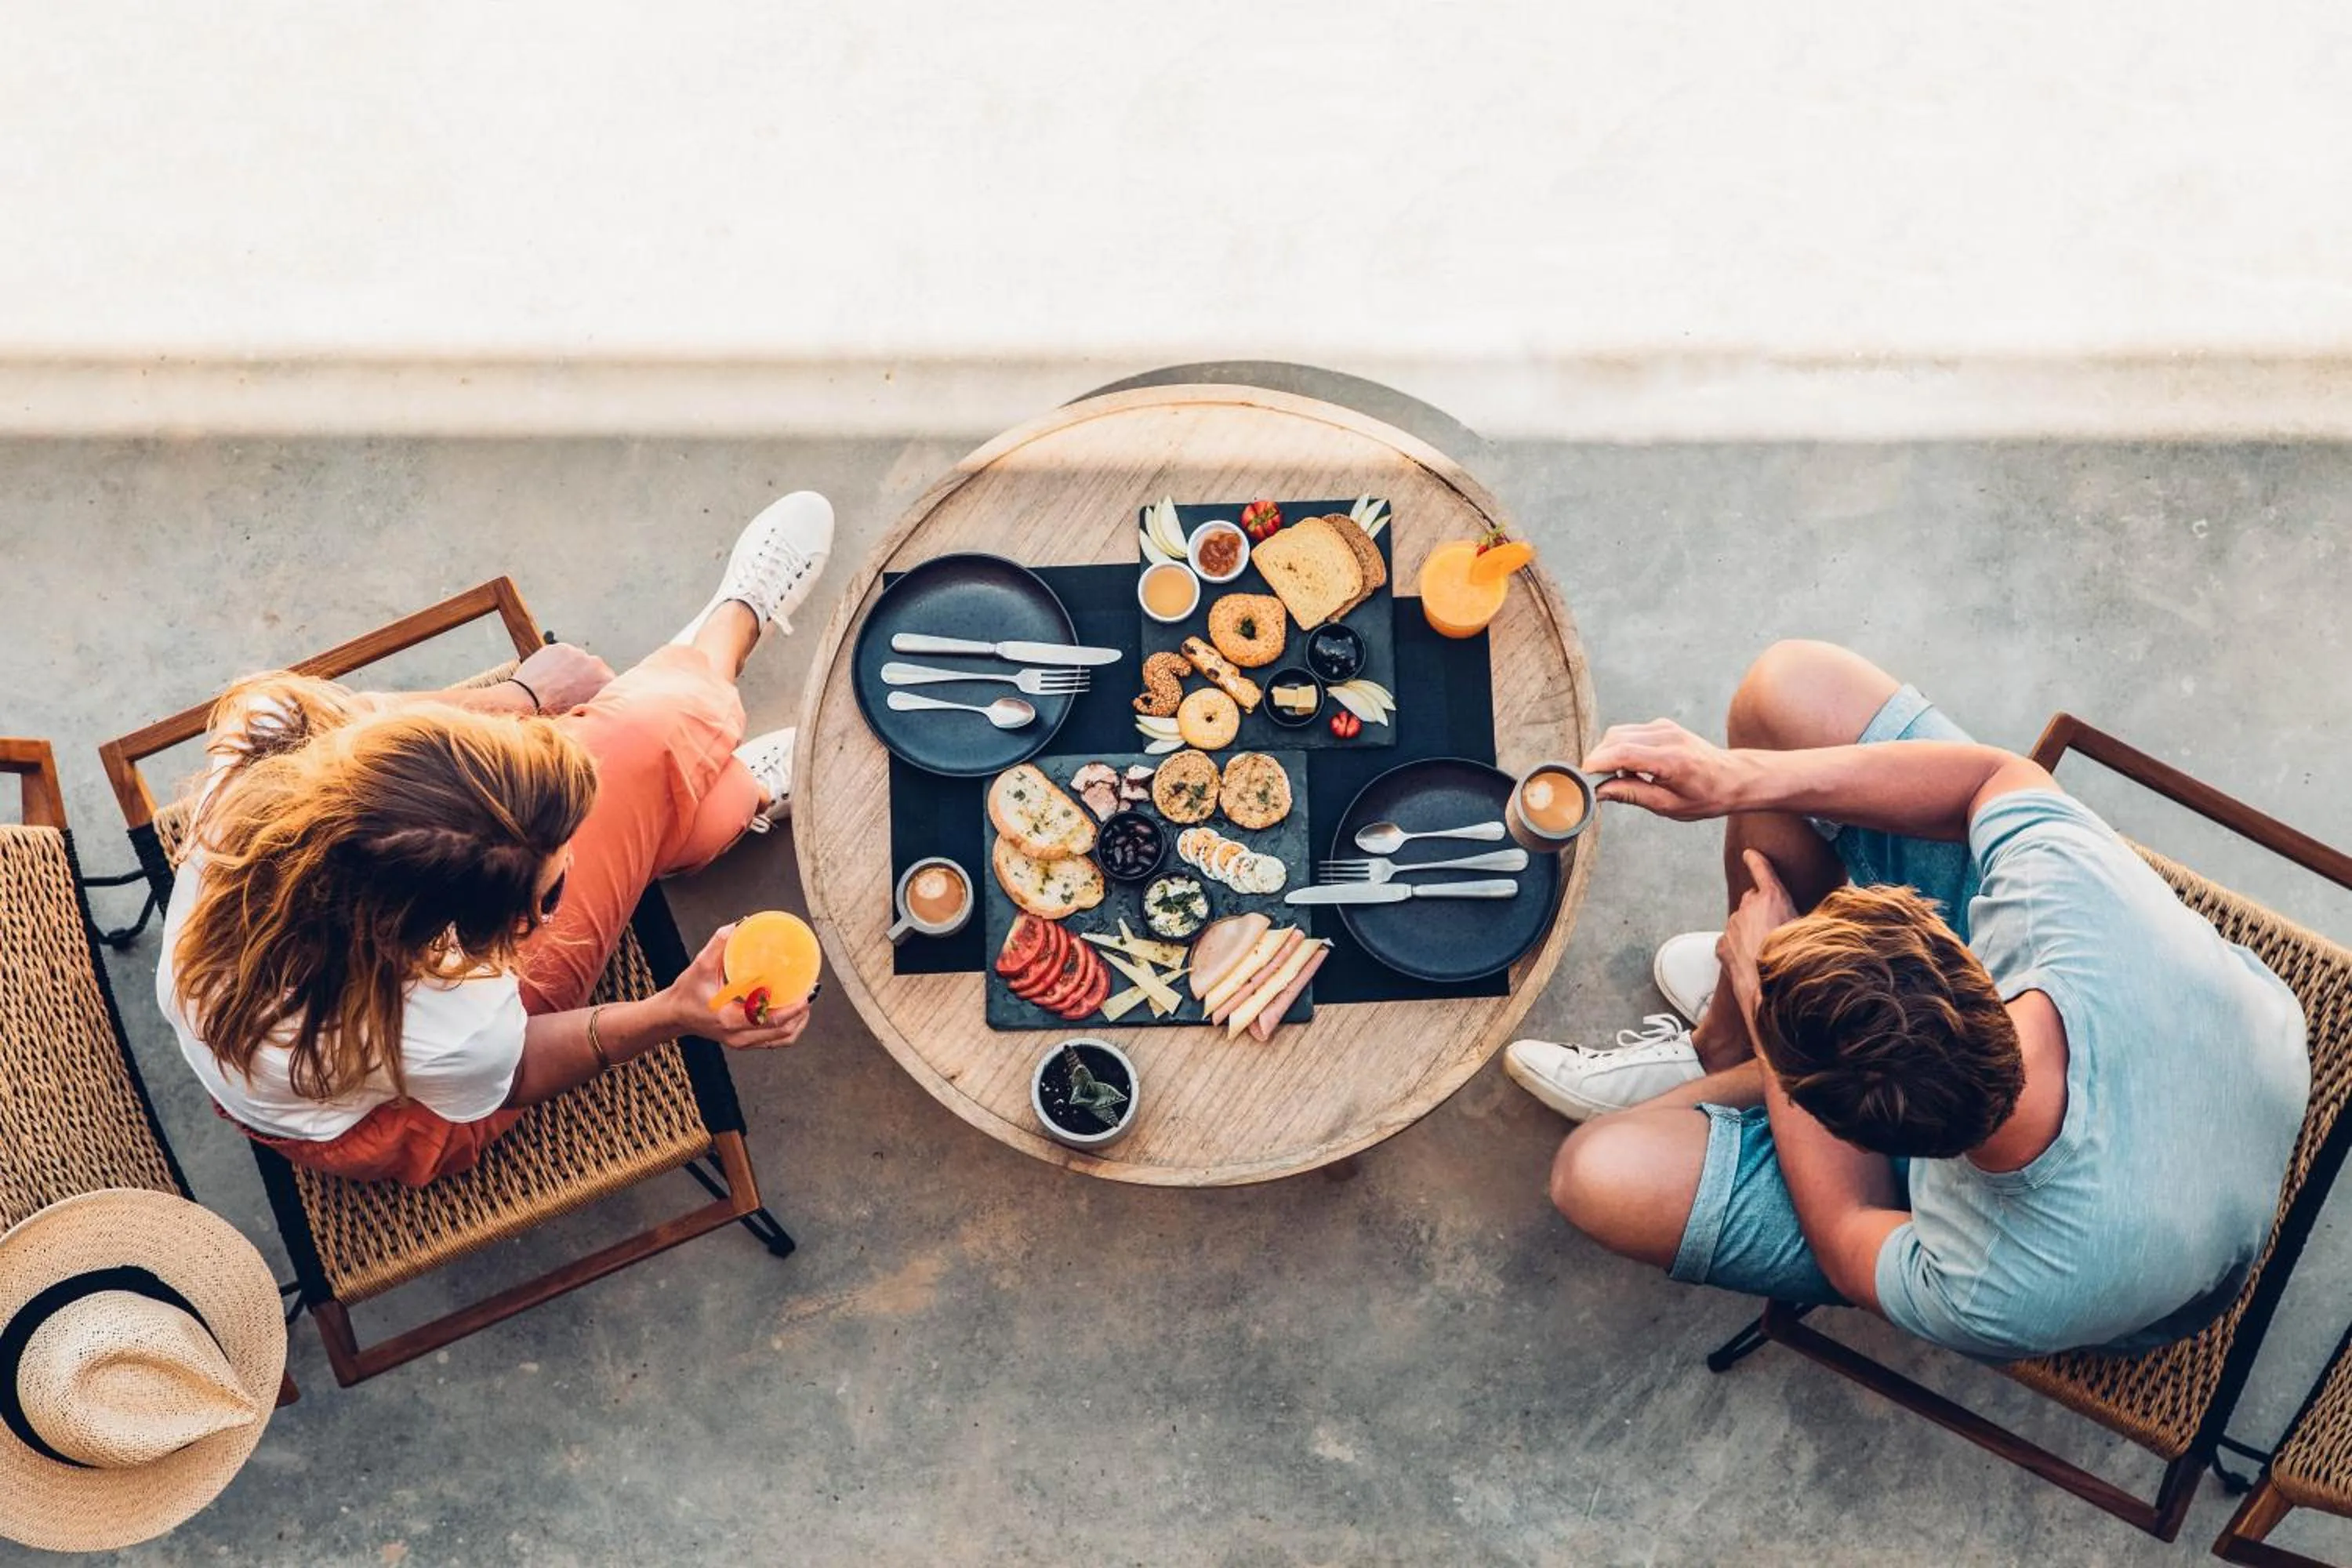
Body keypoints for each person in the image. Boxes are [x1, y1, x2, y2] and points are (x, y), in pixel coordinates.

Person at [1504, 641, 2309, 1361]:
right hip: (2221, 1057)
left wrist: (1759, 995)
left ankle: (1743, 1045)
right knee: (1791, 689)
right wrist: (1735, 778)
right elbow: (1998, 776)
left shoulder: (1993, 1282)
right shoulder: (2064, 901)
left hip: (2136, 1272)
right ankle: (1738, 1043)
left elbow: (1849, 1226)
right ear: (1959, 946)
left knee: (1594, 1169)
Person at [158, 492, 837, 1187]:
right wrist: (672, 1013)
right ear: (470, 932)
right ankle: (722, 660)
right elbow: (516, 1070)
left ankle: (711, 736)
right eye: (551, 894)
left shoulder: (270, 741)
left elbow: (362, 728)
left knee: (630, 761)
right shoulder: (451, 1019)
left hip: (307, 1060)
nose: (570, 868)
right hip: (414, 1117)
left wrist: (520, 699)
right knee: (645, 748)